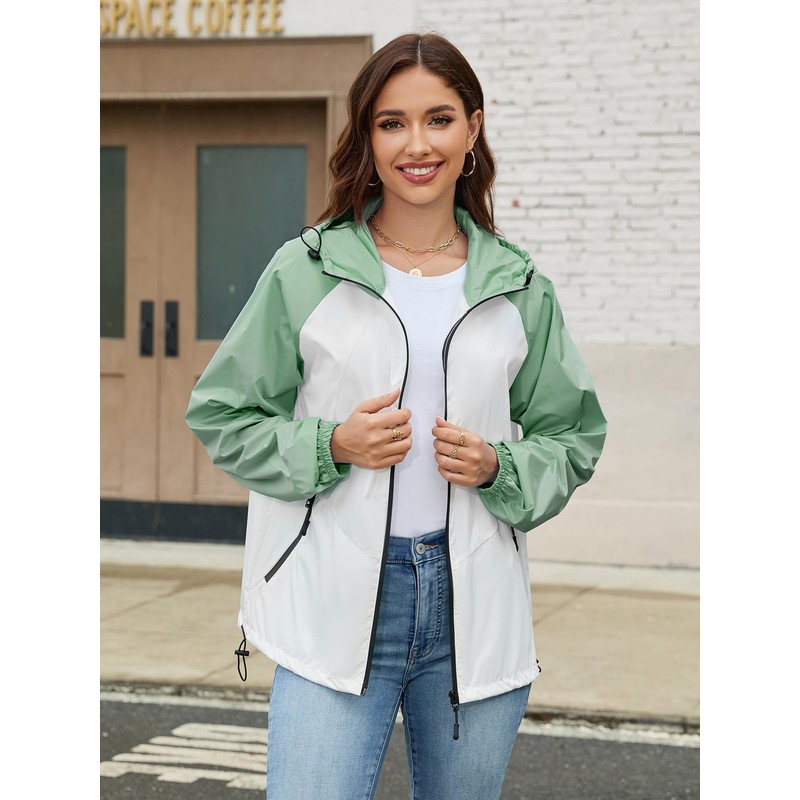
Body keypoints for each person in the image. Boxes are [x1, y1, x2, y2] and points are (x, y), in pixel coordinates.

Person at [186, 31, 606, 800]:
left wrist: (501, 466)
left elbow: (574, 435)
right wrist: (331, 444)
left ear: (473, 129)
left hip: (472, 607)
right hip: (334, 600)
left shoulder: (519, 286)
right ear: (367, 138)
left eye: (439, 119)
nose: (417, 144)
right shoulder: (307, 270)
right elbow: (222, 414)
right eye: (392, 123)